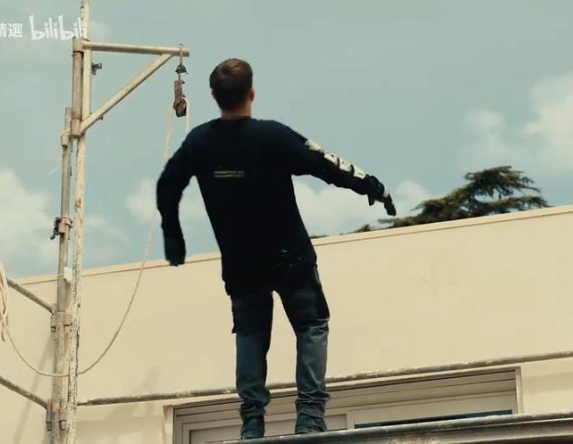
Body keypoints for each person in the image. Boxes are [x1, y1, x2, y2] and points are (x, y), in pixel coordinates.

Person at [155, 58, 397, 440]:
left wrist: (174, 236)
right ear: (251, 94)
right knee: (311, 326)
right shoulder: (273, 137)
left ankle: (252, 424)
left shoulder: (200, 142)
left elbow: (167, 184)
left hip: (241, 262)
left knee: (250, 334)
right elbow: (327, 164)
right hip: (290, 255)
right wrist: (372, 186)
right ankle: (310, 417)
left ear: (214, 97)